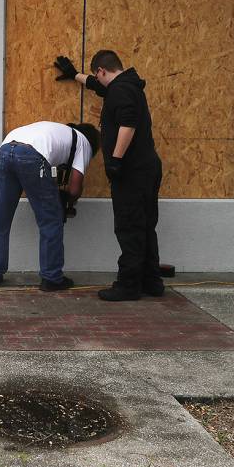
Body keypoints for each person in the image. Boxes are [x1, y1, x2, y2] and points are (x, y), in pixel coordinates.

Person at [53, 50, 164, 301]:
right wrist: (75, 75)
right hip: (147, 168)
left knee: (129, 227)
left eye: (97, 75)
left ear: (102, 70)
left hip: (132, 171)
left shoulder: (121, 91)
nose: (97, 79)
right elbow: (98, 86)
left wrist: (115, 159)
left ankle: (129, 285)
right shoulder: (128, 85)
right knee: (146, 225)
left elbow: (128, 124)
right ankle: (151, 281)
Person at [0, 120, 100, 290]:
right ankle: (52, 277)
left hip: (6, 149)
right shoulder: (84, 142)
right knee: (51, 220)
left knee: (0, 219)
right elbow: (74, 188)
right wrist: (67, 203)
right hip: (31, 155)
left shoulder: (57, 132)